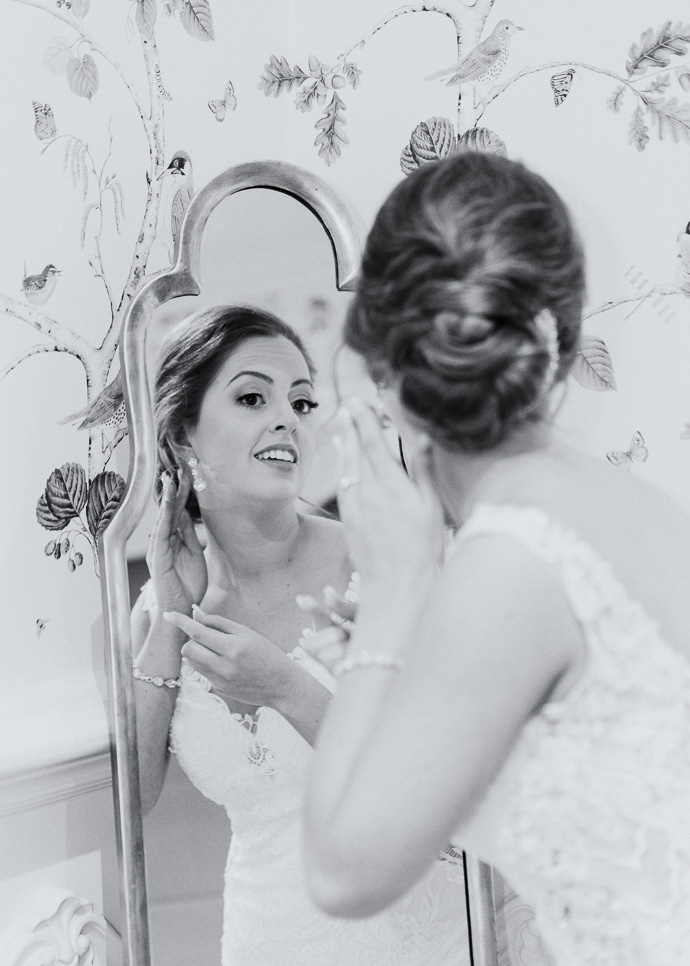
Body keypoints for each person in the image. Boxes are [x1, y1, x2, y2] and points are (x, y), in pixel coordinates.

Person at [299, 153, 690, 965]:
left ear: (382, 374)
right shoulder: (637, 508)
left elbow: (341, 874)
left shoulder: (514, 557)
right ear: (559, 336)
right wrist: (401, 648)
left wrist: (394, 593)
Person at [130, 304, 470, 966]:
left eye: (302, 401)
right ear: (181, 438)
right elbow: (130, 803)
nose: (286, 417)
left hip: (425, 944)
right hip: (269, 941)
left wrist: (287, 689)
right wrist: (171, 609)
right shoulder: (162, 605)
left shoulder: (391, 564)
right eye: (253, 397)